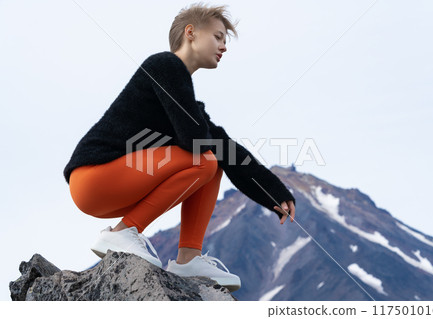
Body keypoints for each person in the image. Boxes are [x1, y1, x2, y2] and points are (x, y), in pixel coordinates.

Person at [63, 2, 295, 293]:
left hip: (112, 186)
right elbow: (193, 136)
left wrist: (271, 191)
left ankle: (189, 258)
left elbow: (223, 146)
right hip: (94, 177)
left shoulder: (181, 91)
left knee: (214, 161)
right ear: (191, 33)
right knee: (205, 160)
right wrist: (209, 139)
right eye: (218, 37)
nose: (224, 46)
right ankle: (122, 233)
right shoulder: (164, 65)